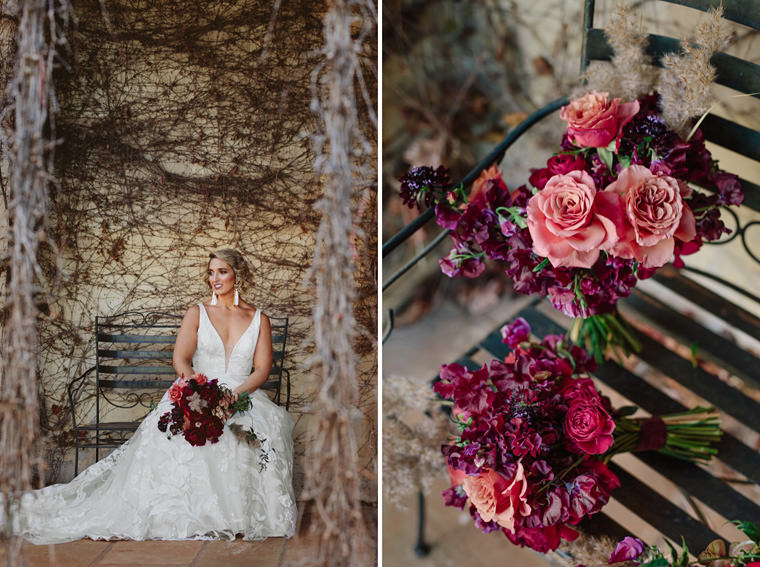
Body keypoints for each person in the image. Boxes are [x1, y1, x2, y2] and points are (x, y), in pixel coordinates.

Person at [8, 249, 296, 543]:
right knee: (183, 432)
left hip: (241, 395)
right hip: (197, 391)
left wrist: (230, 399)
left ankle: (241, 515)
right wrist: (198, 393)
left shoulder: (259, 319)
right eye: (211, 272)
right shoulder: (197, 312)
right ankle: (192, 514)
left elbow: (261, 370)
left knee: (260, 429)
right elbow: (181, 360)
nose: (215, 279)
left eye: (222, 271)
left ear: (239, 274)